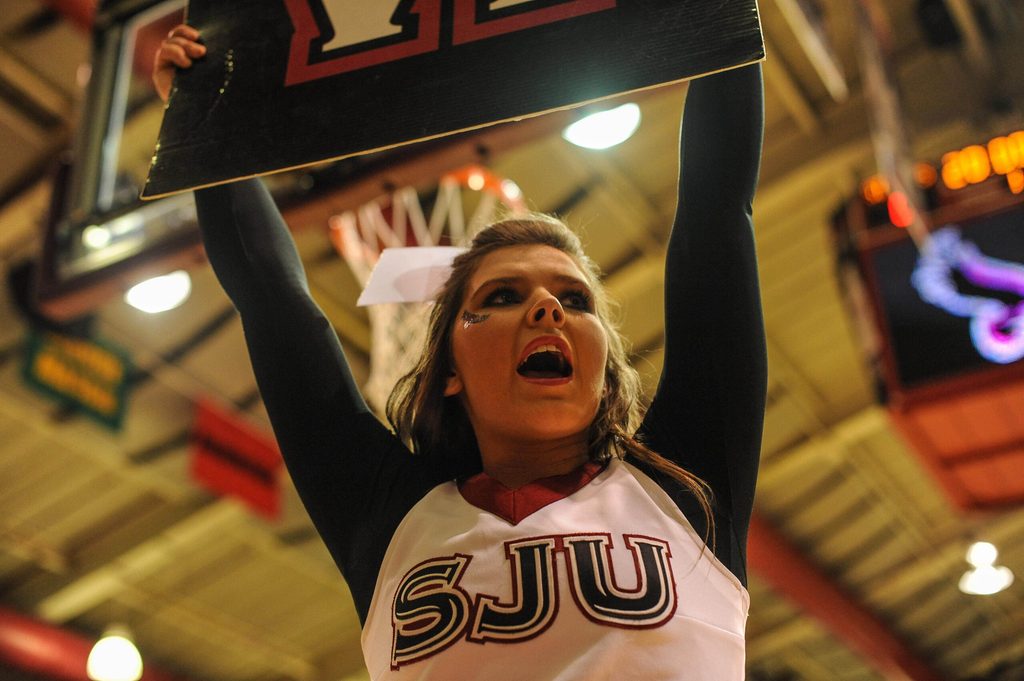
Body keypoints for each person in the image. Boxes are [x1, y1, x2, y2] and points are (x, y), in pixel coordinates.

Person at [155, 24, 766, 680]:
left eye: (576, 300)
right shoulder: (390, 519)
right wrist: (205, 113)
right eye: (503, 295)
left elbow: (717, 209)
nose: (548, 308)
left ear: (607, 371)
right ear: (448, 368)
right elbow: (274, 303)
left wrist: (722, 15)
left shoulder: (687, 488)